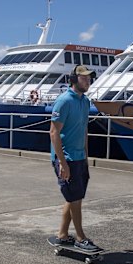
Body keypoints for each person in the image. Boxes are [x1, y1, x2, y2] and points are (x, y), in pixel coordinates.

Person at [49, 65, 103, 253]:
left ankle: (63, 234)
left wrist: (86, 156)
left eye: (89, 78)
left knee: (73, 197)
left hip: (79, 157)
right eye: (84, 78)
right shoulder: (64, 101)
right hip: (66, 157)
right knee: (76, 199)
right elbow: (54, 133)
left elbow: (84, 130)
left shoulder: (85, 102)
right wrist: (62, 163)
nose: (88, 81)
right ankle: (81, 238)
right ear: (74, 79)